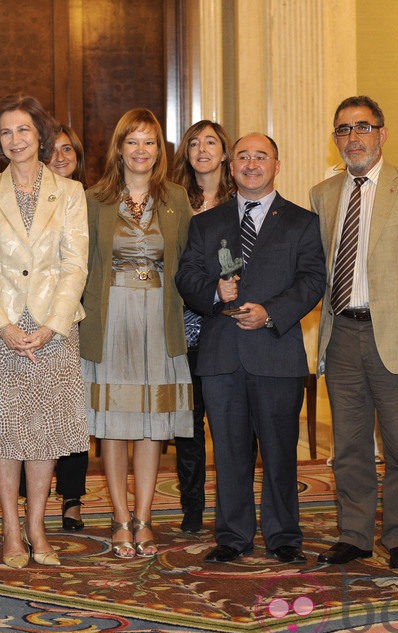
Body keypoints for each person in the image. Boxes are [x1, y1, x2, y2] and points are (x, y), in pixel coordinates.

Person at [311, 96, 398, 571]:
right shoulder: (323, 193)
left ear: (382, 133)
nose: (353, 137)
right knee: (349, 445)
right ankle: (353, 533)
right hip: (342, 335)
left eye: (363, 127)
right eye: (343, 130)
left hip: (394, 334)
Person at [176, 132, 325, 564]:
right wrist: (213, 291)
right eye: (243, 156)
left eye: (261, 156)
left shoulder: (301, 221)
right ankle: (233, 535)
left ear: (277, 165)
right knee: (228, 452)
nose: (252, 164)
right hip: (221, 354)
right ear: (231, 165)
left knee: (279, 451)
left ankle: (283, 536)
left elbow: (313, 280)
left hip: (276, 352)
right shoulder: (206, 223)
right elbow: (186, 277)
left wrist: (271, 313)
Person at [0, 95, 89, 568]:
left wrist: (52, 325)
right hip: (0, 330)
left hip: (54, 329)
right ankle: (11, 531)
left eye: (24, 130)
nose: (15, 139)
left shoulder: (70, 193)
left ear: (41, 134)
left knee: (45, 432)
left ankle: (37, 526)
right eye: (6, 132)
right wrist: (3, 326)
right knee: (3, 431)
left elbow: (75, 265)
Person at [80, 108, 194, 559]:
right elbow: (85, 266)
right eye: (133, 141)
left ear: (158, 151)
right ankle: (120, 516)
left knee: (151, 425)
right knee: (113, 425)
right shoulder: (95, 198)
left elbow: (187, 263)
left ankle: (144, 518)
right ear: (119, 148)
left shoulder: (177, 199)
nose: (141, 151)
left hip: (159, 318)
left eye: (150, 142)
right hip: (110, 318)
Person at [170, 119, 236, 533]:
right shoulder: (175, 201)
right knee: (187, 427)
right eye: (194, 143)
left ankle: (234, 507)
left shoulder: (241, 199)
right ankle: (191, 510)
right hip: (181, 325)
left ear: (224, 152)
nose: (201, 149)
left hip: (227, 324)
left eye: (210, 142)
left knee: (229, 423)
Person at [42, 121, 90, 531]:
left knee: (71, 413)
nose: (60, 158)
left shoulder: (86, 201)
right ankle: (30, 497)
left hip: (76, 316)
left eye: (68, 151)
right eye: (53, 150)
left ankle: (72, 498)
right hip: (28, 317)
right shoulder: (24, 199)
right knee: (35, 412)